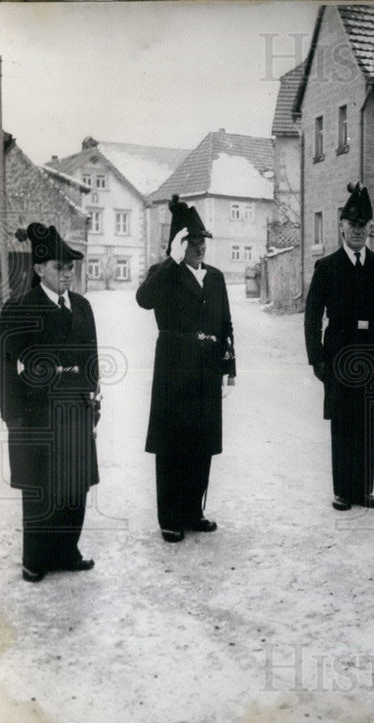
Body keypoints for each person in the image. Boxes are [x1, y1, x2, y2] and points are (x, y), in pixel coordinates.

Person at [0, 223, 99, 582]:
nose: (67, 273)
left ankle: (67, 551)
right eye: (59, 267)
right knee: (41, 489)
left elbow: (92, 361)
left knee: (74, 486)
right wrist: (14, 416)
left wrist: (93, 402)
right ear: (39, 270)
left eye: (71, 267)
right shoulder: (20, 308)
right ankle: (35, 559)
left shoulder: (82, 307)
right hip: (37, 413)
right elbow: (1, 365)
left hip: (76, 411)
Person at [136, 195, 235, 543]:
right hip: (175, 372)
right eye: (192, 242)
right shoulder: (164, 275)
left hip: (207, 371)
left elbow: (225, 324)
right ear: (178, 246)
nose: (199, 248)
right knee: (172, 446)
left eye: (201, 242)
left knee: (202, 443)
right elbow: (143, 299)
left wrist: (229, 365)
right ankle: (170, 518)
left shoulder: (216, 278)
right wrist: (171, 262)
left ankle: (194, 511)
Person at [304, 182, 374, 511]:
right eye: (352, 225)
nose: (358, 232)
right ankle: (343, 491)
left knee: (368, 422)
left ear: (368, 228)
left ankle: (364, 489)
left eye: (363, 226)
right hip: (339, 353)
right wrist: (316, 359)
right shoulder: (327, 267)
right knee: (344, 423)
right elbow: (312, 317)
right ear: (341, 226)